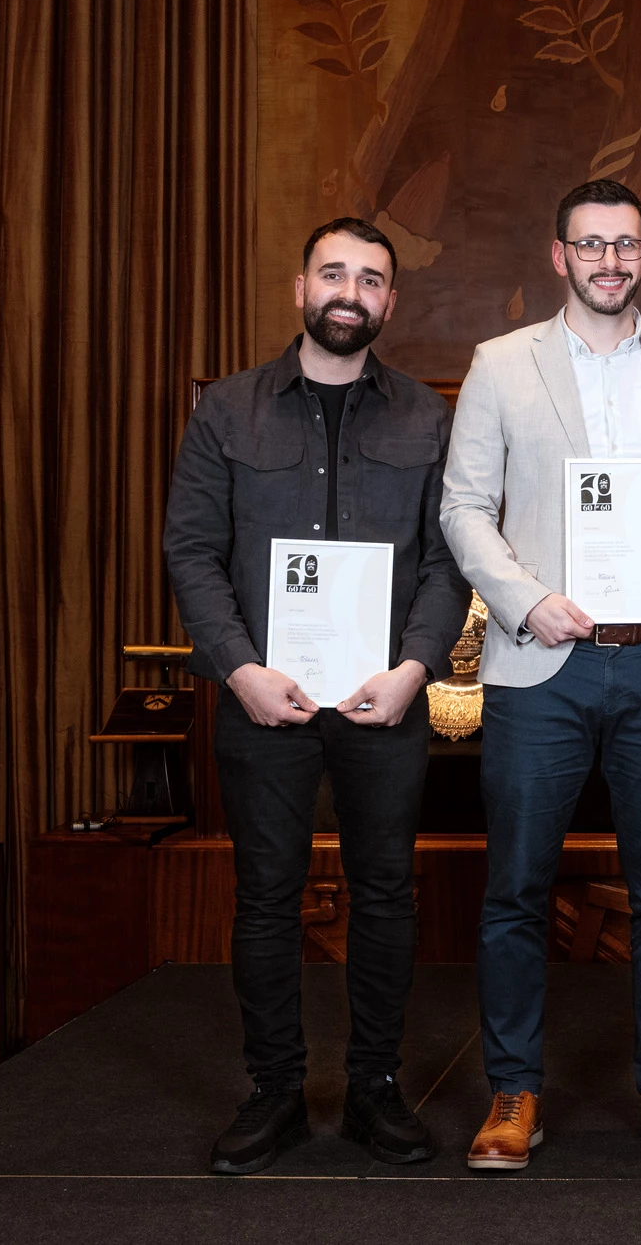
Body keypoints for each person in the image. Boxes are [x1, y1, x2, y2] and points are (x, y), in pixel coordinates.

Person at [440, 178, 641, 1172]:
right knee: (517, 889)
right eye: (590, 245)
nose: (609, 260)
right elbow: (463, 509)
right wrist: (526, 598)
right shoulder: (498, 366)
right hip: (542, 666)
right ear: (557, 255)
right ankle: (513, 1090)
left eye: (626, 245)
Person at [165, 218, 470, 1174]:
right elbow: (191, 552)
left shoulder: (427, 419)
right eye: (334, 273)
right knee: (266, 897)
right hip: (264, 698)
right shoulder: (228, 413)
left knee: (384, 894)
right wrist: (239, 668)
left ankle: (376, 1091)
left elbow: (447, 565)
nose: (351, 291)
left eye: (371, 279)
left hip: (385, 699)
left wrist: (416, 668)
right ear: (302, 288)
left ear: (390, 302)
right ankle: (275, 1093)